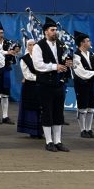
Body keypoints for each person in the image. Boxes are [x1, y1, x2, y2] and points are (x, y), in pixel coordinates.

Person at [30, 17, 70, 152]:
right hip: (45, 84)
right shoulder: (38, 46)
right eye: (52, 30)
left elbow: (67, 59)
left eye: (56, 30)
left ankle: (58, 141)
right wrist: (55, 67)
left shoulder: (61, 44)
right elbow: (38, 65)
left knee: (58, 112)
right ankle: (49, 141)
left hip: (59, 83)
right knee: (47, 112)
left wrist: (69, 64)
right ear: (45, 31)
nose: (55, 32)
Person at [71, 31, 94, 138]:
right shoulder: (76, 56)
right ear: (82, 43)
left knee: (91, 108)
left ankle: (89, 129)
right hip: (81, 84)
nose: (90, 42)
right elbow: (80, 72)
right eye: (88, 41)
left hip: (91, 84)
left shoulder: (91, 54)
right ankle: (82, 130)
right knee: (82, 108)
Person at [16, 40, 43, 139]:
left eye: (34, 45)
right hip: (30, 87)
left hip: (41, 86)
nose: (32, 47)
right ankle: (32, 131)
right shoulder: (24, 59)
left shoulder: (41, 58)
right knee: (31, 108)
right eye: (30, 45)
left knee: (40, 108)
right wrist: (41, 78)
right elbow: (27, 75)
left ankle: (40, 131)